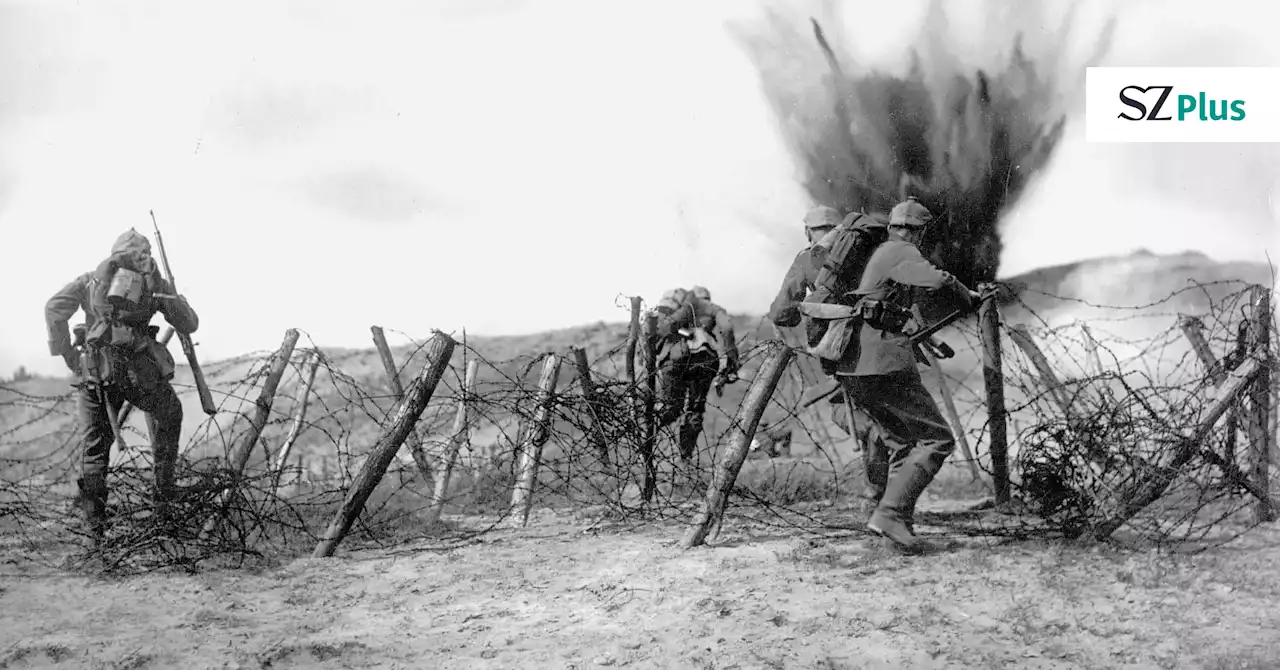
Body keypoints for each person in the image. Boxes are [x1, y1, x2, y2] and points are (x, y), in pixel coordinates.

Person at [837, 197, 980, 554]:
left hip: (856, 362)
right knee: (937, 439)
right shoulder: (900, 251)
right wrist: (967, 295)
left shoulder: (881, 253)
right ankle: (889, 514)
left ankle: (896, 524)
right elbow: (937, 280)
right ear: (918, 231)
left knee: (902, 442)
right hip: (883, 361)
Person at [45, 229, 200, 546]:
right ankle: (163, 500)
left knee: (94, 449)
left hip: (95, 372)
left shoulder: (91, 280)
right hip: (137, 372)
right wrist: (174, 299)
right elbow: (189, 323)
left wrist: (69, 356)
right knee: (169, 413)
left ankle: (94, 531)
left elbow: (53, 308)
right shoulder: (152, 282)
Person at [767, 205, 889, 518]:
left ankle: (875, 486)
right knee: (883, 408)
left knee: (841, 408)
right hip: (877, 341)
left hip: (835, 348)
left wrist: (807, 307)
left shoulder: (808, 258)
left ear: (809, 231)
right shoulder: (869, 251)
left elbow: (781, 312)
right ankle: (880, 492)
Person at [651, 285, 740, 463]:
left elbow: (666, 327)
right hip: (704, 361)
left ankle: (643, 437)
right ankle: (685, 459)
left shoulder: (686, 306)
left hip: (674, 359)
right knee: (695, 410)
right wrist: (732, 360)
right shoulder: (713, 309)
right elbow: (727, 329)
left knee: (670, 408)